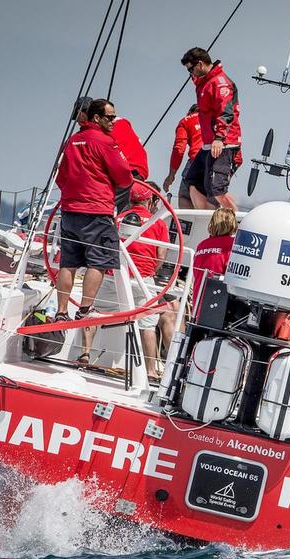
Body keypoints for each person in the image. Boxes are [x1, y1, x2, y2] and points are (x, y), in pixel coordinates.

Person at [54, 98, 133, 322]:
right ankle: (85, 310)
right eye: (109, 117)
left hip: (70, 212)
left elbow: (61, 178)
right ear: (96, 118)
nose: (114, 122)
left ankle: (61, 313)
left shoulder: (72, 141)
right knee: (98, 261)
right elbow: (125, 177)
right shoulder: (106, 142)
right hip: (96, 212)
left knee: (68, 263)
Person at [80, 183, 169, 379]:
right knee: (147, 325)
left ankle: (85, 353)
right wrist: (149, 270)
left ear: (130, 199)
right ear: (149, 200)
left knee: (91, 312)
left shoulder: (116, 219)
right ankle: (151, 371)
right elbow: (161, 256)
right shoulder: (159, 224)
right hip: (142, 280)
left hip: (114, 277)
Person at [181, 47, 242, 211]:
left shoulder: (220, 83)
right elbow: (199, 82)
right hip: (208, 145)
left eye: (191, 69)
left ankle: (235, 226)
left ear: (200, 64)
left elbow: (226, 112)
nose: (190, 74)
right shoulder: (204, 82)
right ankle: (206, 224)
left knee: (216, 191)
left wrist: (219, 138)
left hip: (224, 144)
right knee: (192, 181)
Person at [72, 97, 148, 212]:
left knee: (95, 207)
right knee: (123, 217)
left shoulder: (101, 129)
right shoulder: (121, 122)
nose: (79, 124)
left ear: (82, 114)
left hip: (125, 174)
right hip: (138, 173)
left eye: (78, 119)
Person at [191, 207, 238, 309]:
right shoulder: (232, 245)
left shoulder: (202, 245)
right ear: (232, 224)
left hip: (197, 301)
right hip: (217, 304)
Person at [163, 104, 203, 209]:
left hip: (196, 163)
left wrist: (171, 175)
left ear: (190, 112)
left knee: (185, 198)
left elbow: (179, 149)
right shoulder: (217, 119)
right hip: (217, 166)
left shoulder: (186, 121)